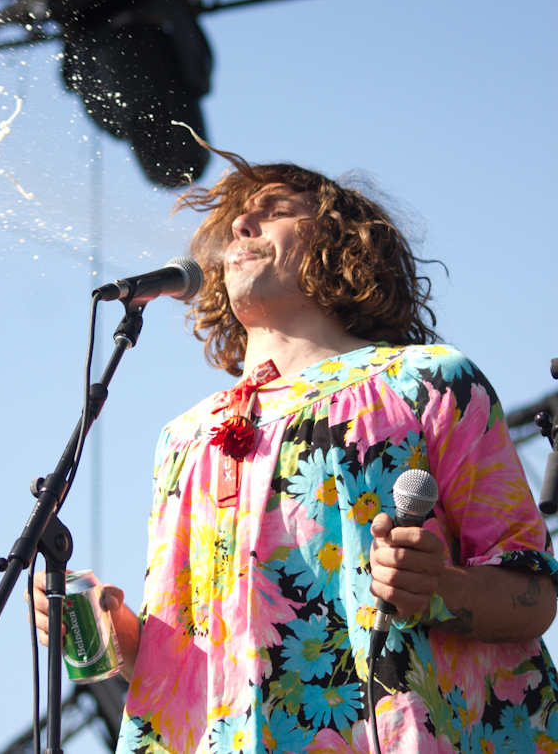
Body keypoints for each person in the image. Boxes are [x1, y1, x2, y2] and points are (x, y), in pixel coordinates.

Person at [29, 158, 558, 754]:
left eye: (275, 211)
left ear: (340, 246)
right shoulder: (184, 437)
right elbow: (187, 659)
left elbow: (534, 595)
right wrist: (116, 636)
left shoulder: (428, 380)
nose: (242, 226)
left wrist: (440, 587)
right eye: (235, 220)